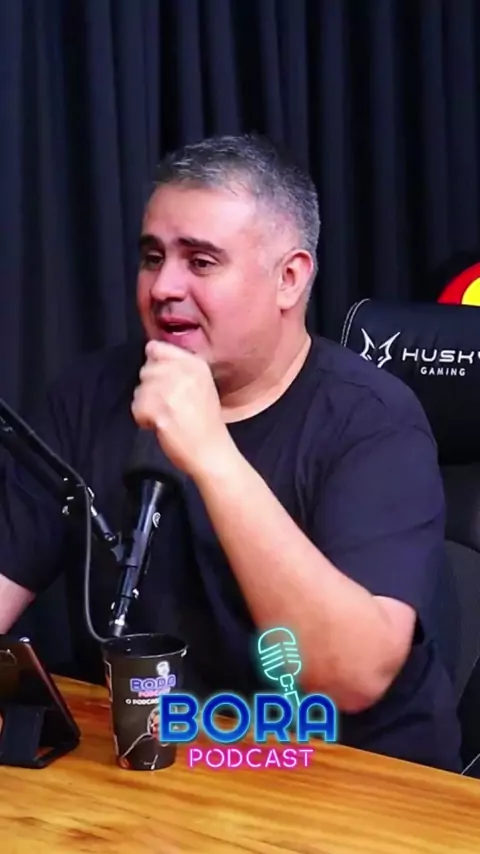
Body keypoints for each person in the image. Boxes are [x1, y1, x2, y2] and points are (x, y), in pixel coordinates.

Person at [0, 133, 461, 771]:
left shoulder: (374, 421)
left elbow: (350, 676)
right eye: (152, 257)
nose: (163, 286)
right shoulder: (89, 396)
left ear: (289, 279)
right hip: (154, 767)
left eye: (201, 261)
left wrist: (211, 453)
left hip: (346, 777)